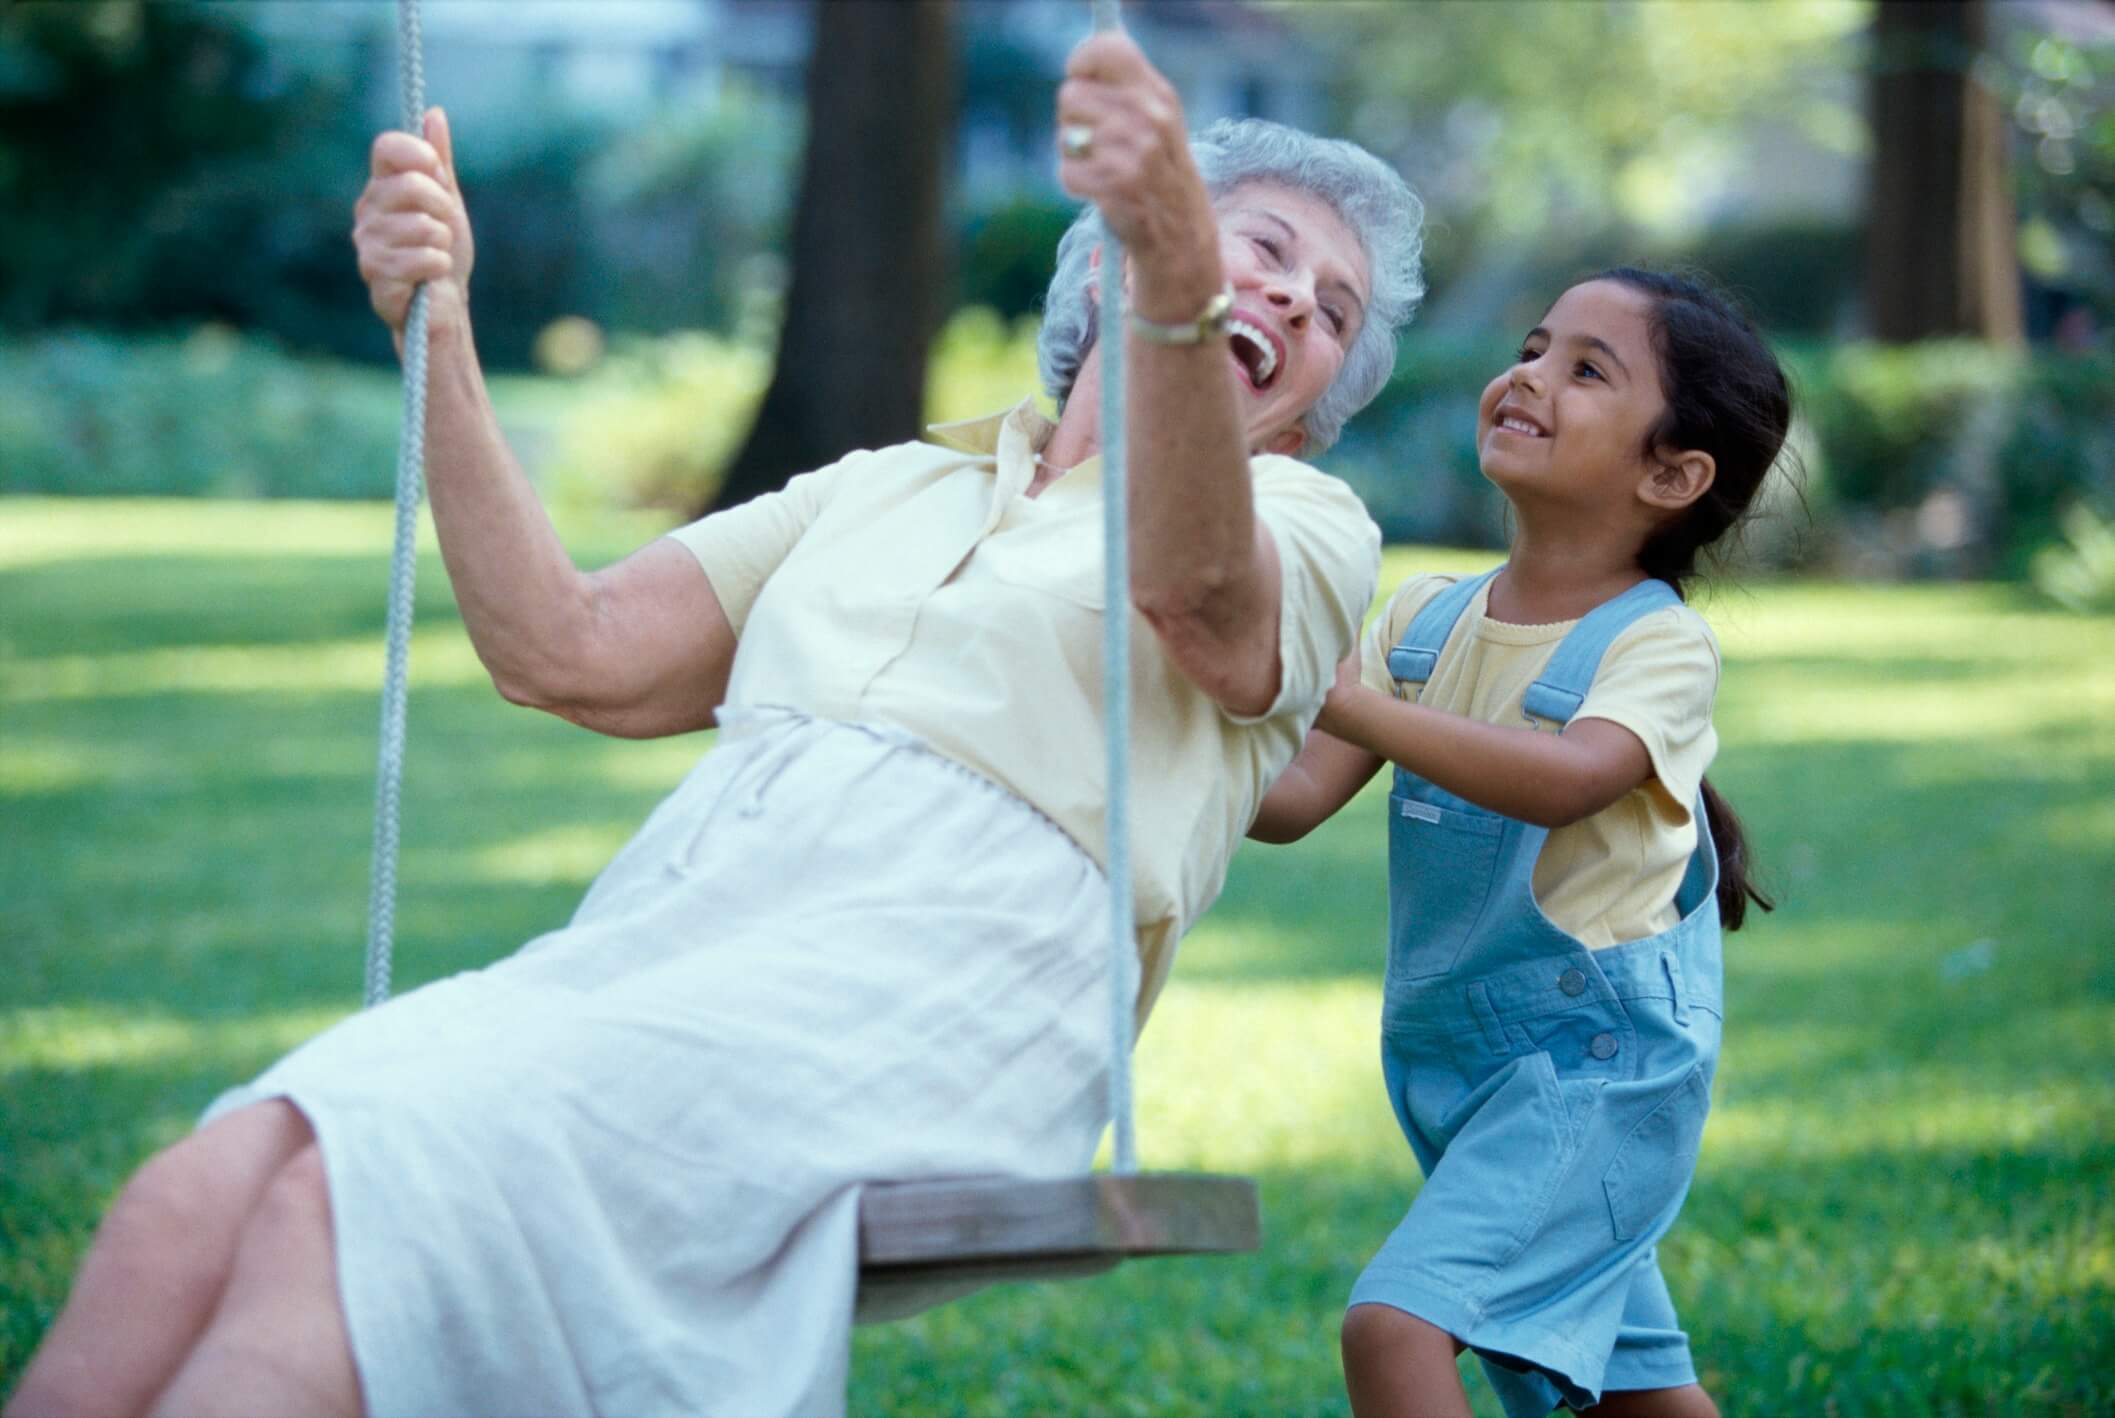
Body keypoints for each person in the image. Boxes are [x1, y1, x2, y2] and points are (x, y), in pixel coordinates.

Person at [4, 32, 1426, 1418]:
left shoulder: (1304, 526)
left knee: (351, 1219)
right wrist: (434, 328)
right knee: (217, 1177)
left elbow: (1199, 598)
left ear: (1310, 411)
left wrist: (1192, 282)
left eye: (1335, 307)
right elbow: (566, 649)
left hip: (939, 986)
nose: (1296, 298)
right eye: (1262, 245)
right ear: (1106, 259)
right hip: (680, 932)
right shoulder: (884, 487)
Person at [1250, 268, 1790, 1418]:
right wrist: (1166, 732)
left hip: (1601, 1068)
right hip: (1467, 1072)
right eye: (1536, 345)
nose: (1530, 373)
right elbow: (1290, 802)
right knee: (1643, 1384)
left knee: (1394, 1328)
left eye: (1587, 368)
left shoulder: (1656, 644)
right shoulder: (1425, 618)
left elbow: (1567, 780)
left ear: (1672, 473)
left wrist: (1349, 702)